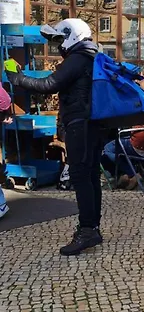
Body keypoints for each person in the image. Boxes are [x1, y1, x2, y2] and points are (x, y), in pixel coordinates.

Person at [5, 18, 103, 256]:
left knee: (81, 175)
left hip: (80, 124)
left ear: (72, 37)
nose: (58, 45)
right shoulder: (92, 55)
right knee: (90, 174)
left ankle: (87, 230)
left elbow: (50, 84)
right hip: (94, 124)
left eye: (60, 40)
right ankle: (92, 228)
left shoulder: (78, 57)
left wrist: (17, 78)